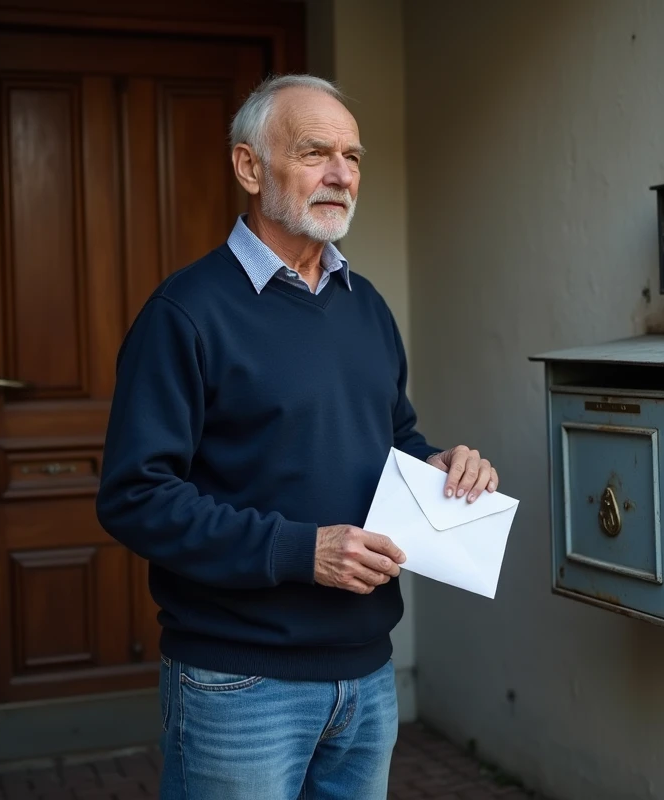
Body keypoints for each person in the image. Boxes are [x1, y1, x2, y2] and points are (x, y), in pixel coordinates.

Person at [95, 74, 500, 800]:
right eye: (316, 152)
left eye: (353, 156)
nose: (342, 175)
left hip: (367, 676)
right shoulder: (185, 315)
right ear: (250, 167)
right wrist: (300, 551)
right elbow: (135, 497)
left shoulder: (365, 304)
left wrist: (441, 466)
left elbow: (392, 434)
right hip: (239, 682)